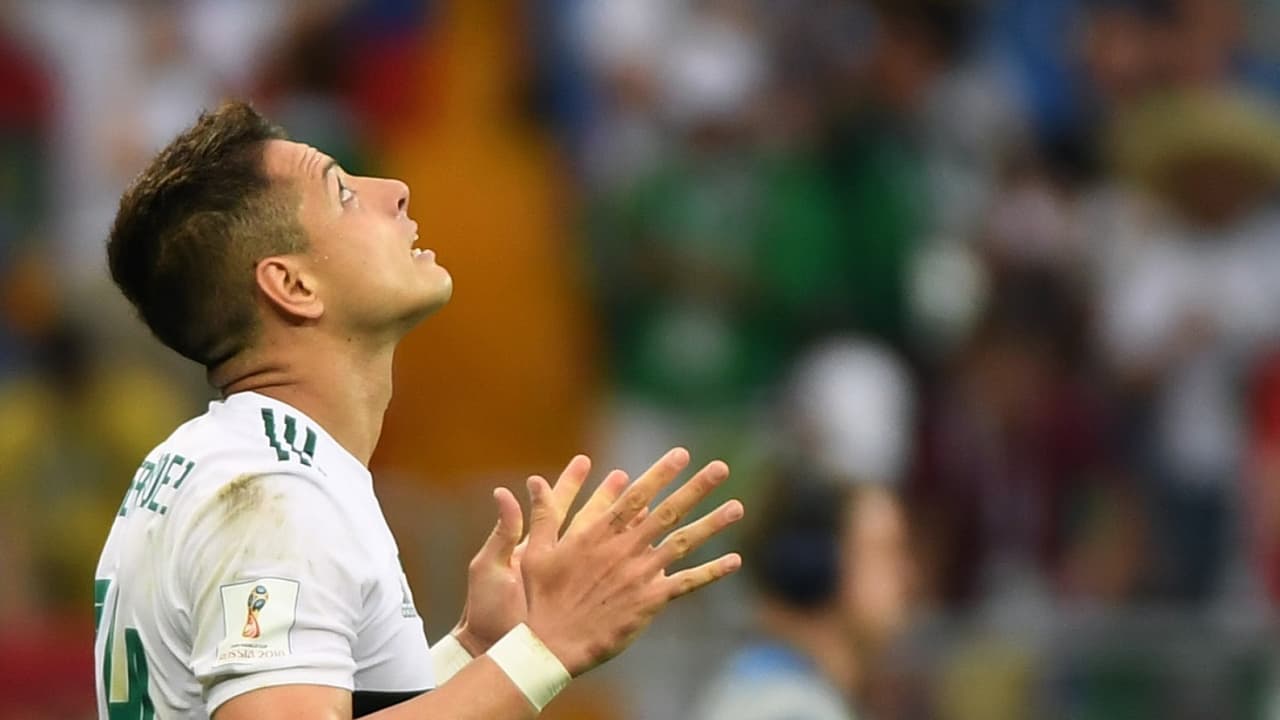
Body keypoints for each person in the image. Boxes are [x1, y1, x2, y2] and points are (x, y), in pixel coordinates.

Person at [94, 101, 745, 720]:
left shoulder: (220, 464)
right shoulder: (274, 495)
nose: (395, 190)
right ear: (293, 285)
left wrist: (476, 650)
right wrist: (547, 648)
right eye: (344, 193)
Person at [691, 476, 911, 720]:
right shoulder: (790, 708)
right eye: (885, 551)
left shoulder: (767, 689)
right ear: (817, 566)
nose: (907, 574)